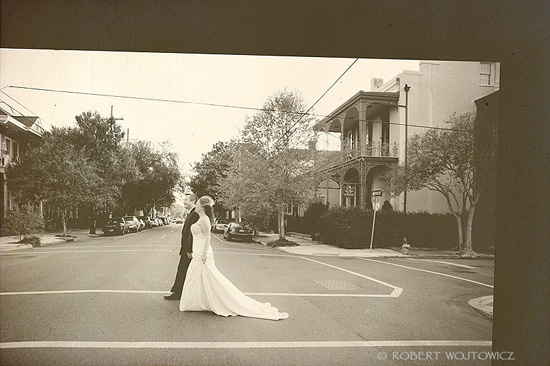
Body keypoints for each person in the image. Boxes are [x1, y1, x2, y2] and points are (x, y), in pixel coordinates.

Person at [179, 196, 289, 320]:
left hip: (202, 253)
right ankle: (200, 301)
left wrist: (204, 253)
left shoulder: (204, 219)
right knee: (197, 277)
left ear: (203, 207)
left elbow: (208, 237)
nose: (196, 206)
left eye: (198, 204)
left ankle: (220, 300)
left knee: (210, 277)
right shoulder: (200, 218)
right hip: (197, 252)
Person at [165, 193, 199, 300]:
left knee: (184, 271)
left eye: (186, 200)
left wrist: (189, 250)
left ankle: (179, 293)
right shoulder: (190, 213)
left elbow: (191, 234)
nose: (184, 201)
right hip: (185, 249)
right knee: (183, 270)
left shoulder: (195, 214)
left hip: (189, 250)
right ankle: (179, 292)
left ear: (192, 201)